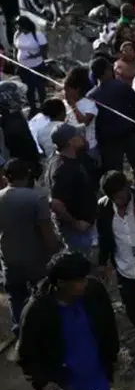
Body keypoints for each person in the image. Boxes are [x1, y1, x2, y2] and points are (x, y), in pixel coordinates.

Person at [17, 251, 118, 390]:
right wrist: (42, 383)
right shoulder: (37, 311)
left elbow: (108, 327)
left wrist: (111, 358)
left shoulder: (94, 292)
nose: (85, 283)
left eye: (84, 278)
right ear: (61, 283)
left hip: (96, 377)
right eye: (79, 280)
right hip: (64, 386)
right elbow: (26, 352)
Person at [96, 171, 135, 364]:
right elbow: (105, 238)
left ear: (127, 188)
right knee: (133, 310)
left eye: (121, 196)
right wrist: (102, 263)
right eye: (113, 197)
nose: (118, 201)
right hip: (125, 268)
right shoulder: (104, 208)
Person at [0, 158, 60, 337]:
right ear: (27, 175)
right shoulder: (36, 198)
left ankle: (21, 332)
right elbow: (47, 232)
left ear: (6, 177)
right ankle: (47, 330)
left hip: (9, 259)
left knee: (15, 297)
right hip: (36, 259)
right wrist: (56, 253)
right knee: (44, 294)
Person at [88, 57, 135, 185]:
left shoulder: (91, 96)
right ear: (107, 71)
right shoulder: (121, 86)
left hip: (108, 140)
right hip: (128, 133)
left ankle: (121, 189)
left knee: (115, 170)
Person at [46, 123, 98, 257]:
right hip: (76, 231)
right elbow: (55, 203)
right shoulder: (62, 169)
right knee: (81, 264)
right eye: (77, 135)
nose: (81, 136)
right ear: (70, 141)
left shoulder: (73, 157)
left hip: (85, 224)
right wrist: (75, 223)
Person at [13, 15, 48, 115]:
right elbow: (16, 48)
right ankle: (33, 107)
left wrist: (34, 56)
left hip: (37, 65)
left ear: (26, 25)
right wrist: (15, 60)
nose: (18, 28)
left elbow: (44, 49)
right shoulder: (17, 34)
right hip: (23, 66)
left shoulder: (37, 35)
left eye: (19, 26)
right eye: (17, 26)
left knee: (40, 87)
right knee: (29, 88)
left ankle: (43, 106)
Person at [63, 70, 99, 165]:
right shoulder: (65, 104)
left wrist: (74, 107)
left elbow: (84, 123)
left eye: (68, 90)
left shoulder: (89, 104)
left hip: (89, 148)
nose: (65, 93)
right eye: (64, 90)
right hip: (72, 150)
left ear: (77, 90)